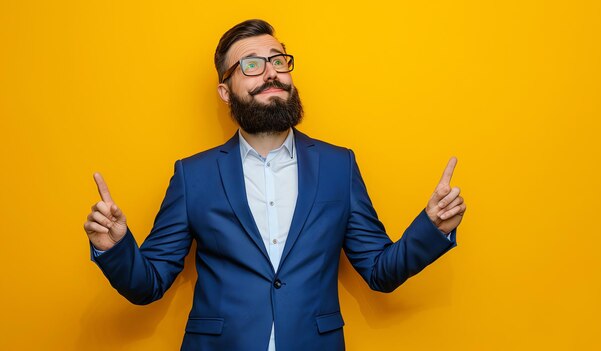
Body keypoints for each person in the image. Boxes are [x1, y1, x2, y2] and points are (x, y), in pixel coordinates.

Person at [84, 19, 466, 351]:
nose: (271, 72)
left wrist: (431, 228)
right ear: (225, 90)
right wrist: (116, 247)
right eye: (252, 65)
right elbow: (148, 284)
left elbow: (381, 271)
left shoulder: (339, 165)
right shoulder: (192, 175)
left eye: (278, 60)